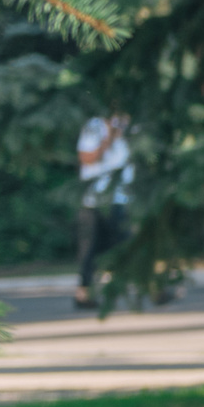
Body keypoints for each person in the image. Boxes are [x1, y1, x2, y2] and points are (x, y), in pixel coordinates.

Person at [75, 111, 131, 307]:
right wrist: (109, 138)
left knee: (126, 245)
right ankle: (84, 294)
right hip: (94, 201)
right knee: (89, 250)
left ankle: (142, 289)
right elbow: (87, 158)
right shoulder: (95, 126)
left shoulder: (132, 129)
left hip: (121, 200)